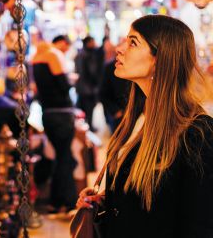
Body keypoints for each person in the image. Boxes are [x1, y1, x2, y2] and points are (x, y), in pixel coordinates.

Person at [76, 15, 213, 238]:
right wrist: (107, 199)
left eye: (133, 42)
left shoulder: (197, 133)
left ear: (160, 58)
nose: (119, 49)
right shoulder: (136, 117)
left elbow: (199, 223)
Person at [32, 35, 77, 213]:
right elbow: (64, 86)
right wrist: (71, 81)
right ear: (60, 43)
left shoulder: (37, 57)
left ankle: (58, 201)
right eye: (66, 46)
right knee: (65, 158)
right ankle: (66, 202)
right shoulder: (53, 55)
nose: (65, 50)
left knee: (62, 157)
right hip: (62, 114)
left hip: (48, 114)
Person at [75, 36, 104, 132]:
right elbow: (93, 72)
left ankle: (85, 128)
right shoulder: (89, 55)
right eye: (92, 41)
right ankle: (89, 128)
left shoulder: (80, 54)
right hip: (89, 88)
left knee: (83, 109)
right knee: (89, 109)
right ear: (88, 43)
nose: (94, 43)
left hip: (81, 87)